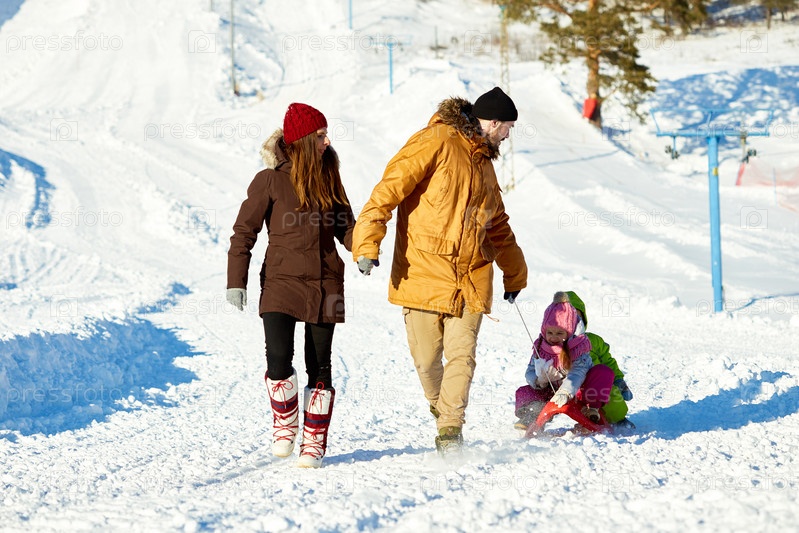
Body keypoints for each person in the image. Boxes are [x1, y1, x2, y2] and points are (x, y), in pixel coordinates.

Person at [351, 86, 528, 455]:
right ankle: (442, 407)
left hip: (471, 276)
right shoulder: (435, 141)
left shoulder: (485, 166)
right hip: (423, 271)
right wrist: (367, 241)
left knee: (462, 355)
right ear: (492, 123)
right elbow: (388, 190)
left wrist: (515, 274)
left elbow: (498, 225)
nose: (508, 136)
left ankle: (450, 429)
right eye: (508, 128)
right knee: (427, 361)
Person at [226, 102, 355, 468]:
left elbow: (346, 225)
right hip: (281, 281)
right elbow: (244, 232)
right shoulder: (269, 180)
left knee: (320, 366)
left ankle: (314, 438)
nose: (327, 142)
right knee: (279, 359)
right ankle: (285, 419)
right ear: (301, 139)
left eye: (326, 135)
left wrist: (364, 248)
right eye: (320, 135)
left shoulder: (329, 177)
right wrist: (236, 280)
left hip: (326, 282)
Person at [514, 291, 634, 430]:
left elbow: (605, 362)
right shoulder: (542, 346)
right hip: (552, 389)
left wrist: (619, 380)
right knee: (525, 392)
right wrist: (539, 380)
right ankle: (532, 416)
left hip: (584, 388)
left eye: (577, 316)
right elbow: (530, 370)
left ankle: (614, 418)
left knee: (608, 387)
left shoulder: (585, 344)